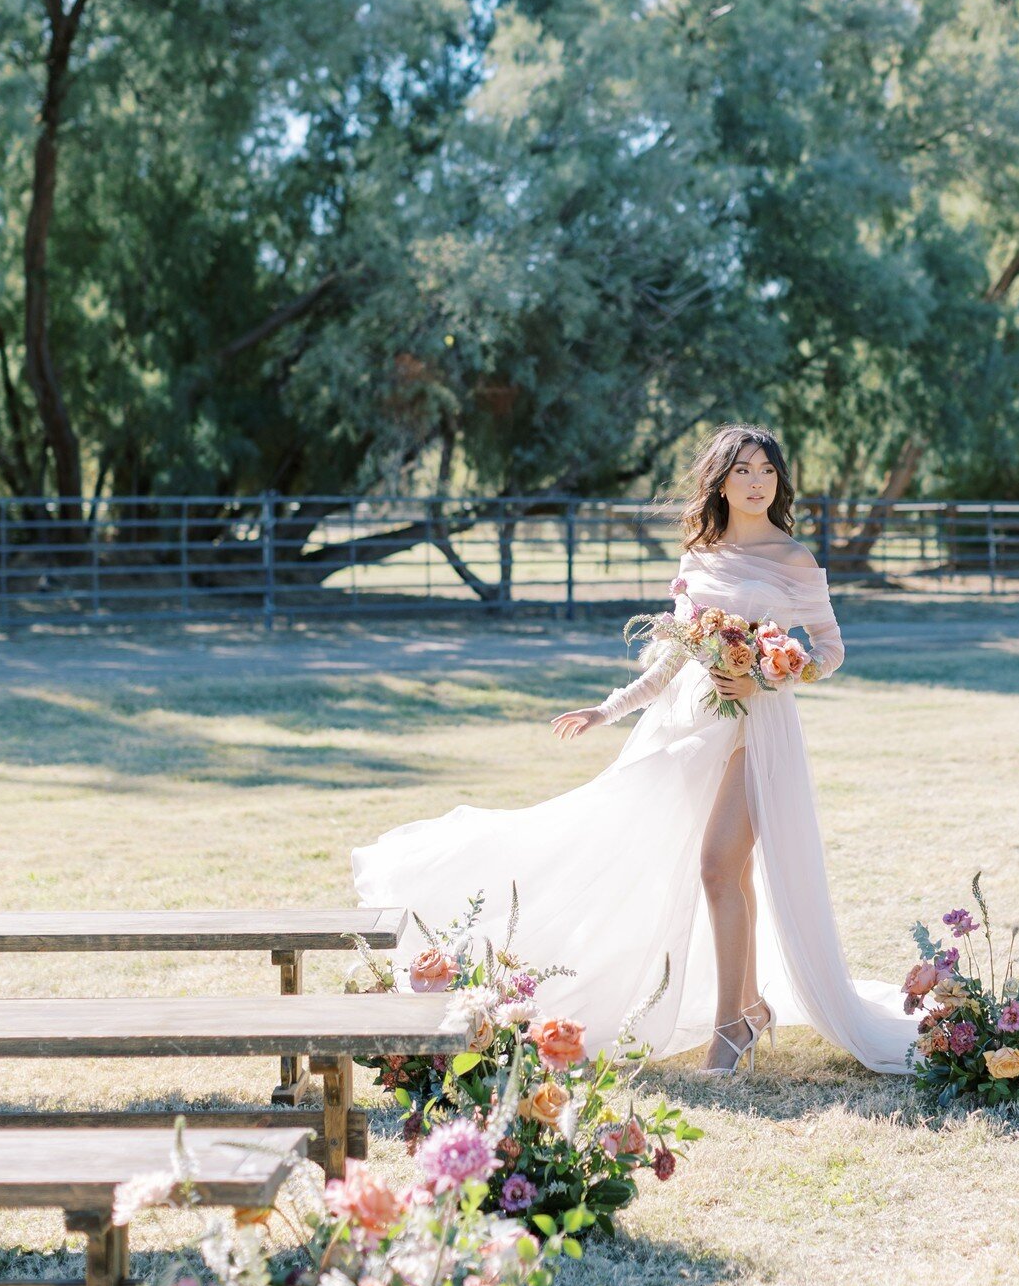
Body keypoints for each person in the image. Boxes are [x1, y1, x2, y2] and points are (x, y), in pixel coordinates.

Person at [352, 423, 915, 1076]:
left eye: (766, 470)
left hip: (760, 731)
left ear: (778, 480)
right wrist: (607, 708)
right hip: (693, 729)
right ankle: (751, 1006)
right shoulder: (698, 557)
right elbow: (673, 654)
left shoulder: (794, 560)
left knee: (714, 865)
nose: (756, 482)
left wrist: (770, 672)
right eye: (742, 471)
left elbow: (830, 649)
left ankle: (732, 1027)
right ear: (721, 482)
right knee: (724, 872)